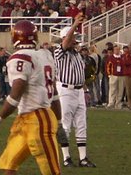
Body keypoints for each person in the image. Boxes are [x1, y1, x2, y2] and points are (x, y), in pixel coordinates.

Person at [0, 19, 62, 175]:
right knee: (9, 164)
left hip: (39, 119)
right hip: (27, 119)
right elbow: (54, 94)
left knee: (52, 171)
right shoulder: (45, 55)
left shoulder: (19, 58)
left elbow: (15, 95)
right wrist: (60, 121)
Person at [54, 13, 95, 168]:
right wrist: (75, 24)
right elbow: (64, 43)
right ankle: (66, 157)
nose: (75, 40)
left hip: (78, 91)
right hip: (65, 90)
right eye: (72, 38)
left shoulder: (77, 54)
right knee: (65, 125)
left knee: (81, 124)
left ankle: (83, 158)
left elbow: (80, 75)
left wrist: (84, 90)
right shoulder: (59, 52)